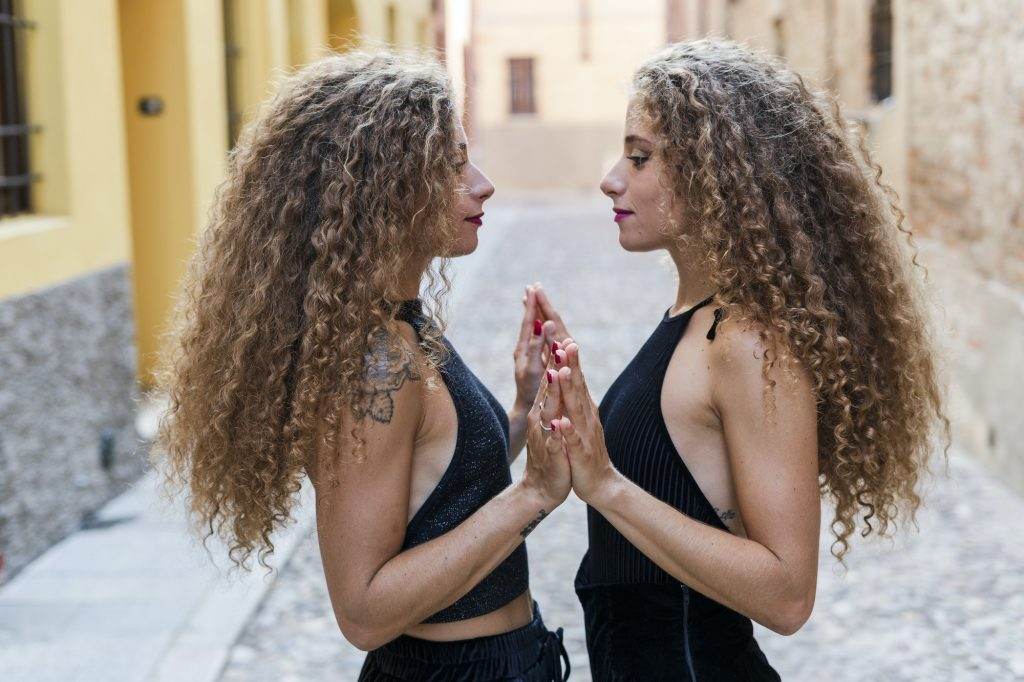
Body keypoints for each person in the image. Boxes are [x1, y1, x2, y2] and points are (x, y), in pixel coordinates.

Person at [535, 38, 950, 680]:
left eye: (640, 158)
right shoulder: (693, 316)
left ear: (715, 175)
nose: (611, 178)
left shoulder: (747, 343)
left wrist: (608, 488)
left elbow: (786, 595)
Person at [153, 49, 571, 681]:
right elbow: (366, 610)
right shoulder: (371, 363)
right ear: (384, 187)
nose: (482, 183)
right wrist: (534, 496)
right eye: (454, 166)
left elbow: (440, 492)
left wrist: (520, 411)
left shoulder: (399, 322)